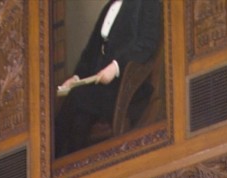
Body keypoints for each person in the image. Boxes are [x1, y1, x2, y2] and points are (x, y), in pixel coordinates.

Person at [54, 0, 161, 157]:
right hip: (100, 87)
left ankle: (54, 157)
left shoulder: (147, 3)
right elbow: (90, 52)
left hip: (127, 86)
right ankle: (69, 167)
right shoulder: (107, 9)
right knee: (79, 118)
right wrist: (76, 78)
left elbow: (147, 44)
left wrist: (116, 67)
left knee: (76, 98)